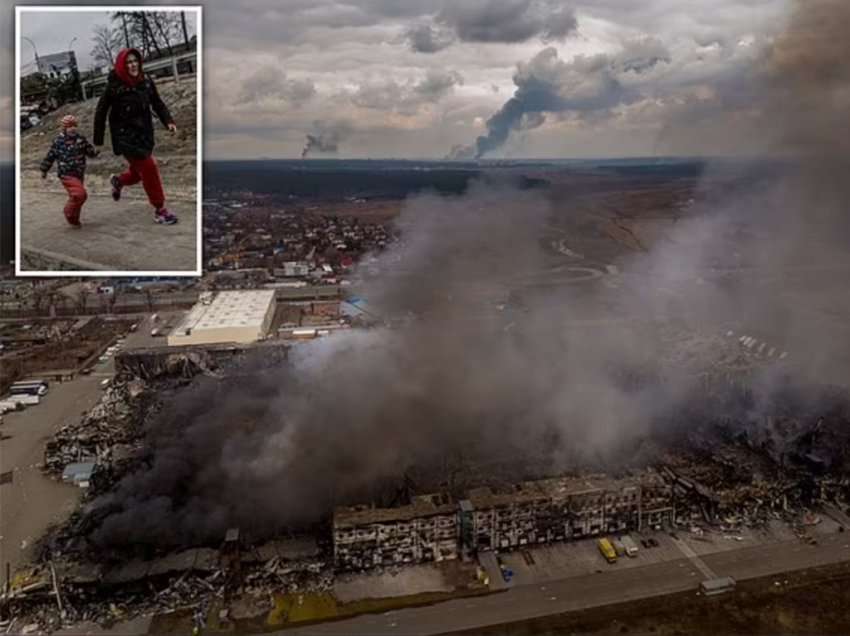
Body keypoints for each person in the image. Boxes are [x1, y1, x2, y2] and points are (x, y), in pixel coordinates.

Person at [93, 48, 179, 225]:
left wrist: (168, 121)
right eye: (128, 62)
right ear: (122, 65)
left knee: (139, 172)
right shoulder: (114, 86)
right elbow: (100, 112)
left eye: (135, 61)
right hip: (125, 137)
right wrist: (98, 140)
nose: (132, 65)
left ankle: (118, 181)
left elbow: (157, 103)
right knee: (149, 167)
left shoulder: (145, 81)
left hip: (144, 134)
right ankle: (160, 210)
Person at [39, 114, 99, 227]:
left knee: (76, 197)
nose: (73, 128)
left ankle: (74, 219)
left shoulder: (81, 139)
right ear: (64, 128)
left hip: (79, 173)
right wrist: (44, 170)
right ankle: (68, 211)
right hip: (66, 174)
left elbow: (89, 151)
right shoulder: (58, 141)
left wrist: (95, 152)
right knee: (80, 194)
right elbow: (50, 156)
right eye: (69, 126)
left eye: (74, 125)